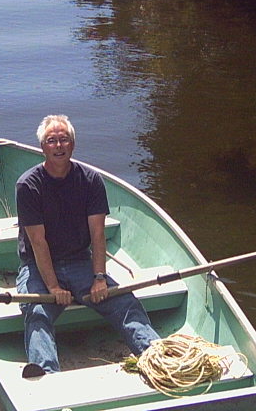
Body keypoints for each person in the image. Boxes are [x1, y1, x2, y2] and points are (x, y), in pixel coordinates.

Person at [15, 114, 159, 377]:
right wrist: (54, 287)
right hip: (38, 266)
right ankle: (46, 377)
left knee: (124, 302)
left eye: (64, 140)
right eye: (52, 141)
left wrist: (99, 278)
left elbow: (98, 234)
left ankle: (156, 356)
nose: (58, 146)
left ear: (73, 144)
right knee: (37, 313)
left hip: (80, 260)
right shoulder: (28, 185)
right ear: (43, 147)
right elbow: (38, 241)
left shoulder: (90, 180)